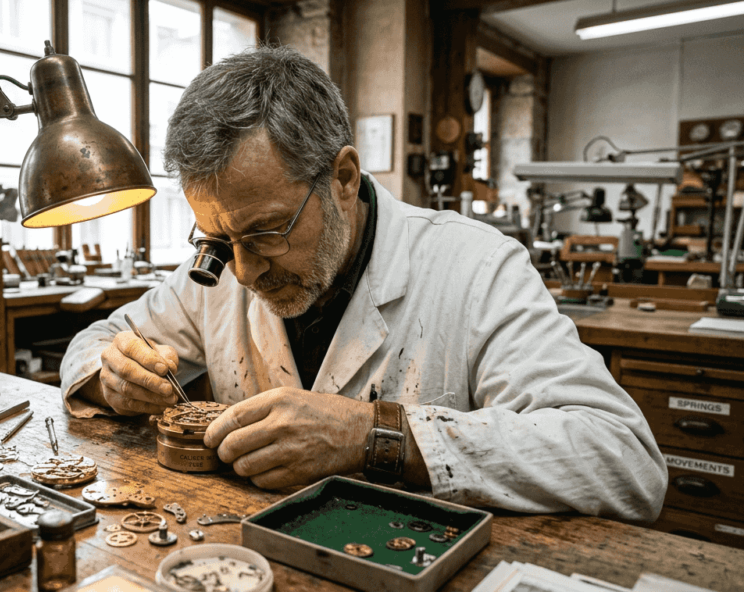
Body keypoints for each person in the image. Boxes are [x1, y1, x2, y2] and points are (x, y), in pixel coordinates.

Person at [59, 46, 667, 523]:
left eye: (268, 232)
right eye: (220, 240)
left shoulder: (475, 268)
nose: (242, 272)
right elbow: (96, 341)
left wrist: (376, 436)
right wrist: (114, 378)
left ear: (343, 177)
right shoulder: (219, 268)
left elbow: (623, 460)